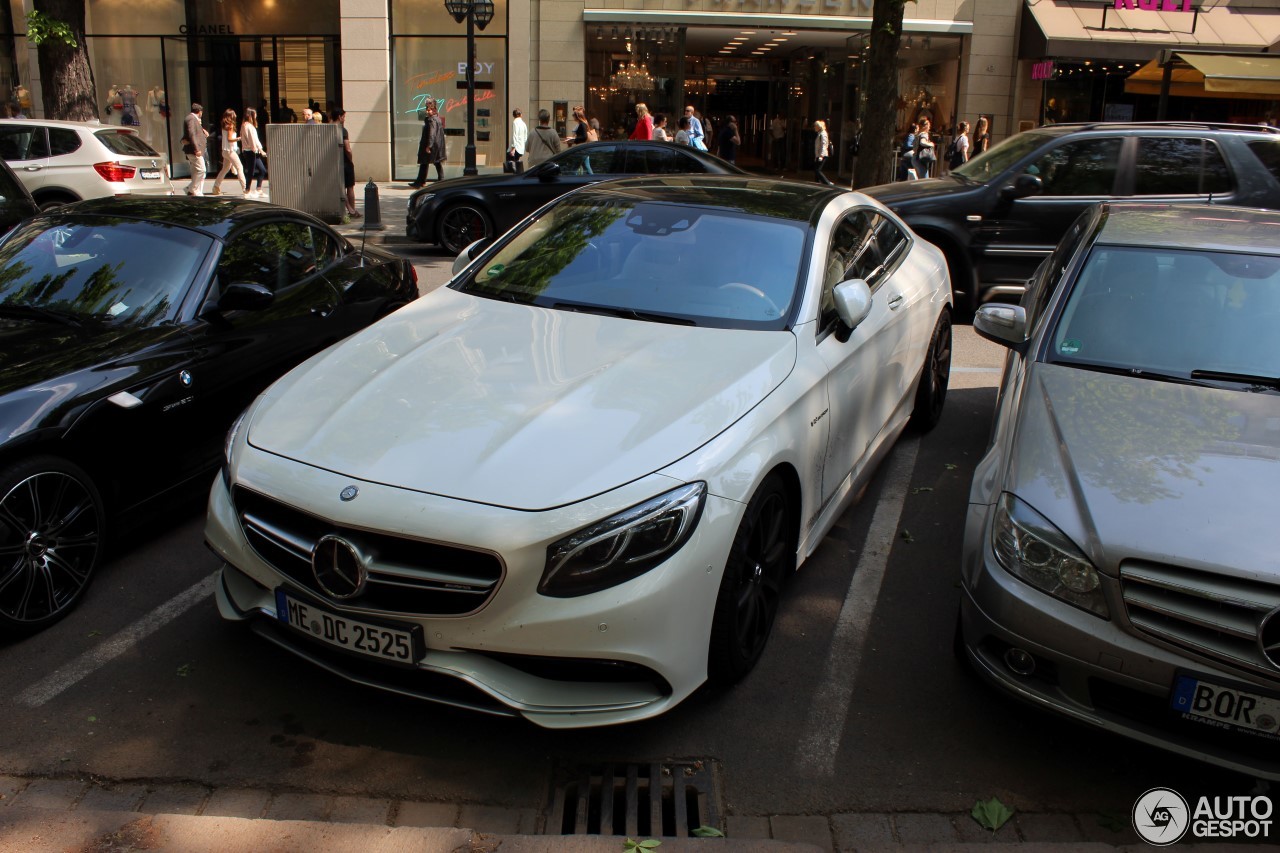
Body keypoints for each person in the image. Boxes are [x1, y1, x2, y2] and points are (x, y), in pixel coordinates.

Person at [211, 108, 246, 196]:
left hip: (225, 151)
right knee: (239, 167)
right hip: (230, 151)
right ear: (231, 116)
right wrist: (238, 138)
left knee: (225, 169)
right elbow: (230, 139)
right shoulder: (230, 126)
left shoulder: (224, 125)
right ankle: (245, 188)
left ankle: (216, 186)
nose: (236, 116)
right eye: (234, 114)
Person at [334, 108, 359, 218]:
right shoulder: (343, 130)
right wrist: (350, 160)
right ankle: (351, 210)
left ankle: (348, 209)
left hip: (332, 163)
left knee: (339, 187)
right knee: (349, 186)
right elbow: (348, 149)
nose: (344, 119)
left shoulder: (327, 128)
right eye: (344, 117)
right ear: (340, 117)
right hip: (344, 162)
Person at [182, 103, 209, 196]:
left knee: (196, 172)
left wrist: (203, 132)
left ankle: (194, 190)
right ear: (199, 112)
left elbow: (195, 133)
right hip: (194, 151)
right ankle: (191, 189)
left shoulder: (194, 119)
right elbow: (192, 134)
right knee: (202, 170)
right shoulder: (191, 119)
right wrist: (196, 149)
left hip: (196, 150)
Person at [240, 107, 267, 198]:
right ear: (251, 115)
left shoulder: (245, 125)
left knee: (261, 170)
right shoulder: (249, 126)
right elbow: (253, 140)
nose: (256, 116)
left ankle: (258, 189)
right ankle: (247, 190)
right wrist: (259, 150)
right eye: (254, 114)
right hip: (251, 151)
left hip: (250, 151)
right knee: (251, 171)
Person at [813, 119, 834, 186]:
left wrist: (821, 156)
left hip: (822, 155)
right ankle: (817, 183)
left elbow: (823, 145)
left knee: (818, 170)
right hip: (818, 155)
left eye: (815, 126)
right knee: (816, 170)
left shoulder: (823, 134)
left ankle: (827, 183)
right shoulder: (819, 133)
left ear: (819, 127)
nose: (814, 128)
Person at [508, 107, 527, 173]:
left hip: (516, 147)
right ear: (521, 114)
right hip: (521, 147)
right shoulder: (523, 123)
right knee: (517, 163)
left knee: (511, 164)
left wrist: (513, 148)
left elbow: (514, 135)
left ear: (514, 115)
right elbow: (525, 136)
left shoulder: (515, 122)